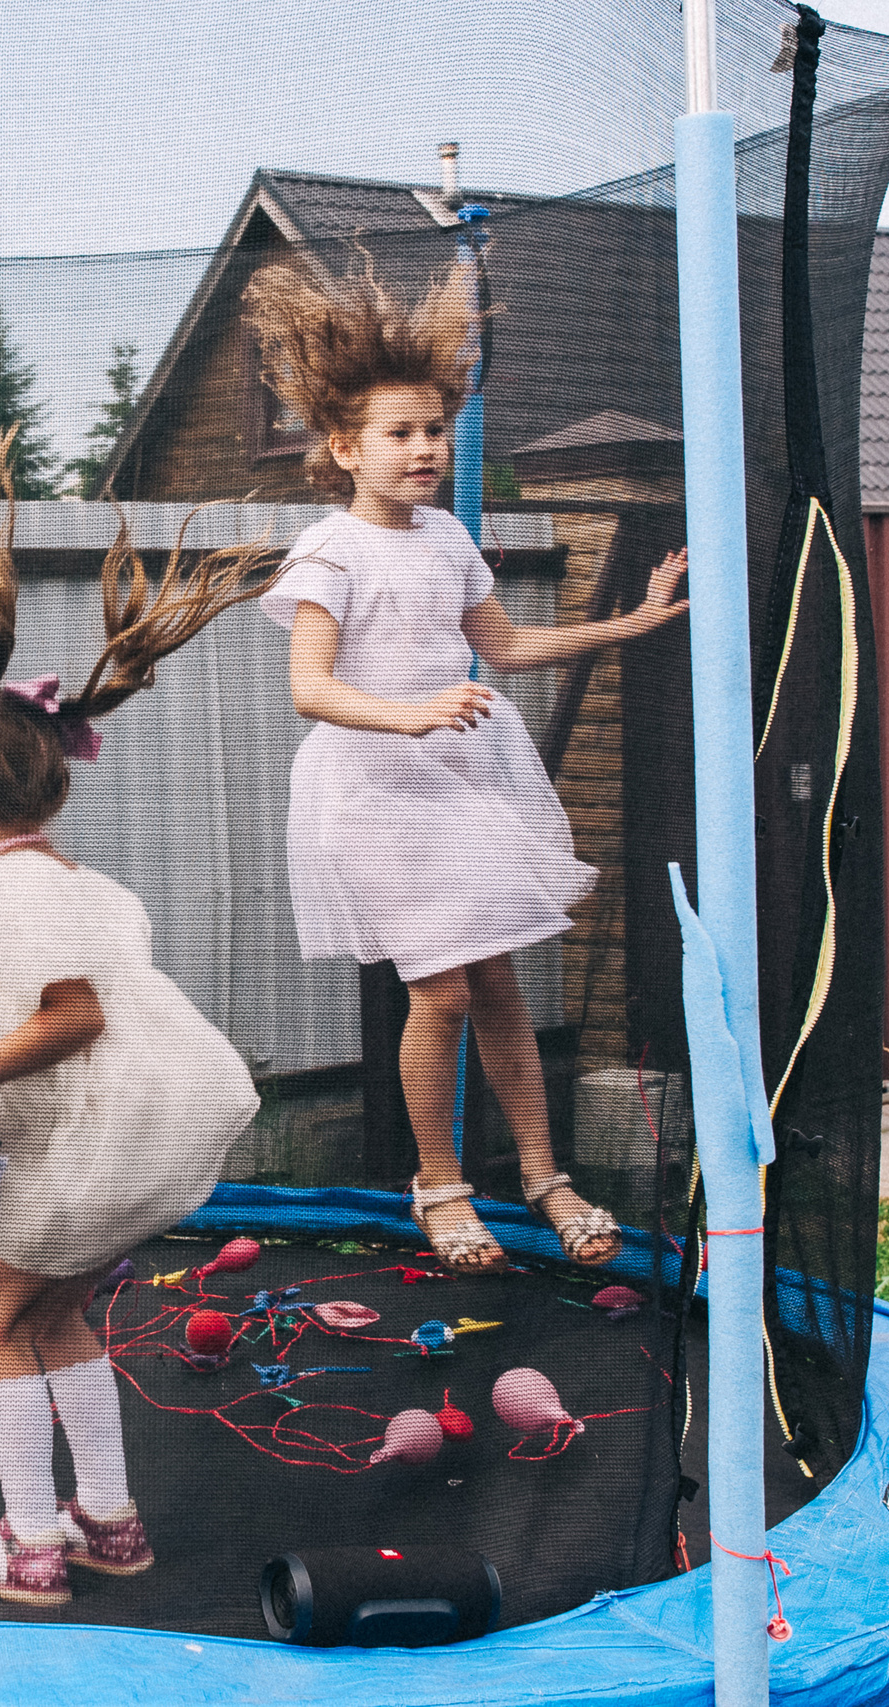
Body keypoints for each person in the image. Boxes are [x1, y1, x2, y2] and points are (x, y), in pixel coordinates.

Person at [241, 255, 689, 1276]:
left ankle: (542, 1175)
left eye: (434, 429)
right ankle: (437, 1186)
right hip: (374, 790)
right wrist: (410, 713)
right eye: (399, 433)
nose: (424, 448)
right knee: (438, 992)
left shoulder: (446, 537)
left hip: (458, 778)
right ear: (345, 447)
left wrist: (635, 618)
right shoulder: (328, 551)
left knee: (498, 987)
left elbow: (512, 647)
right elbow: (309, 690)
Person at [0, 439, 267, 1608]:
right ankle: (110, 1520)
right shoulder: (59, 877)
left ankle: (29, 1544)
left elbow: (73, 1018)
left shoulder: (12, 888)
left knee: (1, 1314)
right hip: (149, 1142)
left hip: (91, 1147)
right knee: (57, 1314)